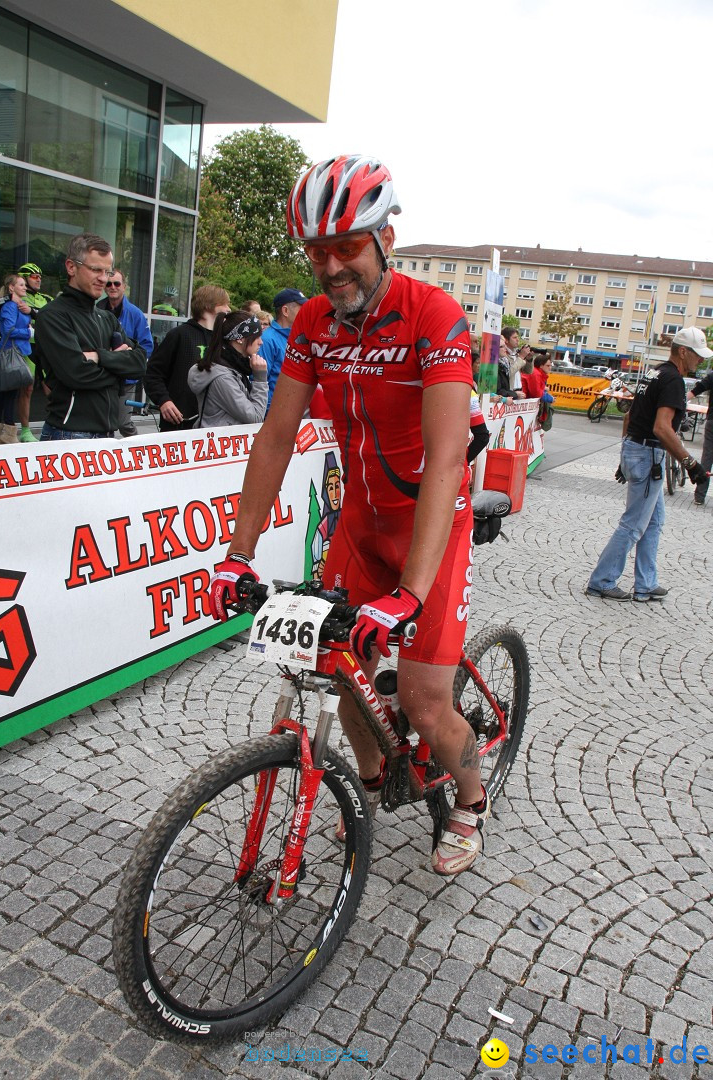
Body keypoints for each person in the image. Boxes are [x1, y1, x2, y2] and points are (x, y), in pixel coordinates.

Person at [207, 154, 489, 878]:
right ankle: (370, 787)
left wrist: (412, 590)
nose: (331, 267)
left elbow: (447, 458)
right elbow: (275, 436)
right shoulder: (310, 323)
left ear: (384, 238)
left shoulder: (435, 316)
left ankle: (470, 795)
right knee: (339, 670)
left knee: (427, 706)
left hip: (431, 525)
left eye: (346, 247)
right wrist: (237, 554)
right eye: (315, 251)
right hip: (361, 525)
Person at [586, 327, 711, 602]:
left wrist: (624, 457)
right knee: (633, 525)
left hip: (637, 448)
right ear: (682, 351)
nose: (700, 361)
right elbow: (662, 428)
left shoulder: (653, 372)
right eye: (697, 355)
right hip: (649, 454)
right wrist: (691, 464)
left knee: (653, 521)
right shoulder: (673, 380)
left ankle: (645, 582)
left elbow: (631, 416)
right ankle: (602, 580)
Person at [35, 234, 147, 440]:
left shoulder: (106, 318)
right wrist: (118, 369)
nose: (104, 279)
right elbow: (75, 373)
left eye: (107, 271)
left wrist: (98, 357)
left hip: (106, 435)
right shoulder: (53, 315)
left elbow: (140, 363)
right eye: (96, 269)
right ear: (71, 267)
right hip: (68, 434)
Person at [144, 285, 230, 431]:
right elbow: (153, 374)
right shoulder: (179, 335)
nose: (229, 309)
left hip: (213, 427)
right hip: (179, 425)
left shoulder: (224, 340)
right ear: (211, 306)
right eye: (225, 304)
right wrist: (164, 401)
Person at [98, 267, 154, 437]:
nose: (112, 287)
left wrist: (128, 356)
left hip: (126, 378)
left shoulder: (135, 314)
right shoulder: (97, 309)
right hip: (102, 375)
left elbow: (147, 346)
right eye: (109, 283)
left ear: (124, 286)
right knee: (102, 422)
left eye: (117, 283)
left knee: (123, 422)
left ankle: (140, 453)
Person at [187, 310, 267, 427]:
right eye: (256, 337)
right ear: (240, 339)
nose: (261, 342)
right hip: (220, 442)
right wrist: (260, 379)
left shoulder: (236, 366)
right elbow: (255, 417)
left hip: (227, 441)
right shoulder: (223, 378)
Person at [0, 273, 32, 445]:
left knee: (6, 393)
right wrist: (29, 332)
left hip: (15, 352)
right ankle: (8, 431)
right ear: (11, 287)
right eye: (21, 284)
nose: (25, 287)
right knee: (9, 393)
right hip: (10, 353)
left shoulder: (18, 306)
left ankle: (0, 432)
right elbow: (8, 330)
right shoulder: (9, 306)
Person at [17, 262, 54, 442]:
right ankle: (25, 430)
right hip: (26, 347)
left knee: (51, 387)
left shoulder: (46, 298)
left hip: (45, 347)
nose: (38, 279)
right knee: (27, 389)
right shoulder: (18, 297)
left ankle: (56, 424)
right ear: (24, 278)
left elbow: (52, 317)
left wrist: (32, 311)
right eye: (34, 276)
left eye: (40, 276)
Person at [259, 287, 307, 411]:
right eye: (301, 308)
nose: (306, 312)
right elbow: (260, 382)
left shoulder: (298, 337)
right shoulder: (267, 339)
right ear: (285, 311)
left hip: (293, 411)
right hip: (274, 414)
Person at [687, 367, 713, 505]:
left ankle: (700, 496)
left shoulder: (711, 376)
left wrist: (679, 401)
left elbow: (695, 391)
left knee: (707, 457)